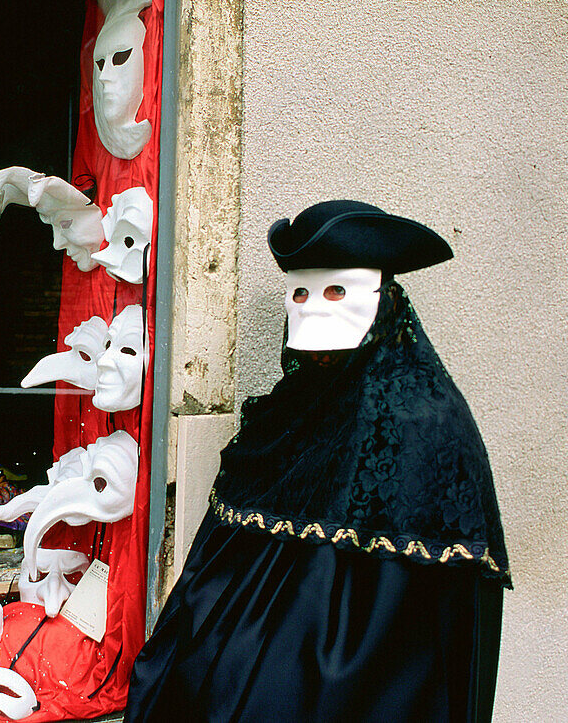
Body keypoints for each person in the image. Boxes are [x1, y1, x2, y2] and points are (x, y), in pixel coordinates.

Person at [125, 200, 509, 722]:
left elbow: (419, 627)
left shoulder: (422, 422)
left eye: (336, 291)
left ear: (385, 301)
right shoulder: (289, 407)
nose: (315, 308)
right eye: (301, 292)